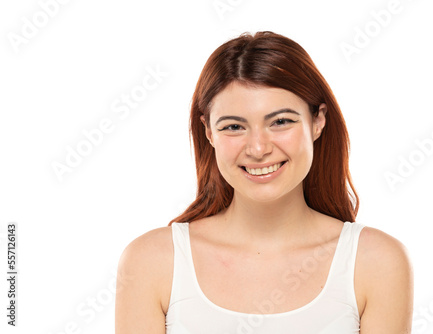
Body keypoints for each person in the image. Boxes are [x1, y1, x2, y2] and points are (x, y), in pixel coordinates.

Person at [115, 31, 413, 334]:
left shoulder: (376, 262)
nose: (258, 149)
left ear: (318, 121)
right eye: (233, 126)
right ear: (208, 132)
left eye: (281, 122)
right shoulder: (151, 262)